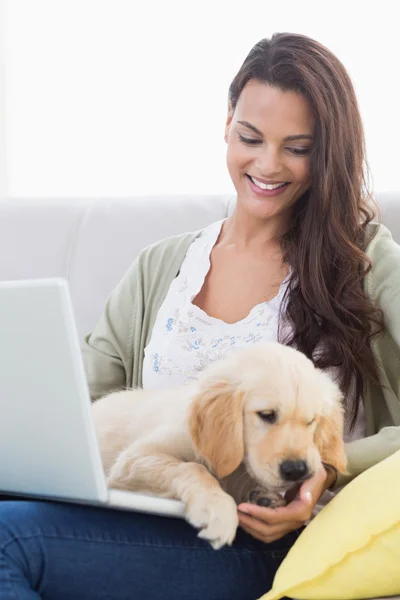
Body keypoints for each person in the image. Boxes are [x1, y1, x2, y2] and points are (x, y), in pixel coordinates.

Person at [1, 31, 399, 600]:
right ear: (227, 123)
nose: (267, 164)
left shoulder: (364, 261)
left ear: (328, 151)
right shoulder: (162, 266)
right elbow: (79, 406)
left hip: (267, 536)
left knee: (8, 541)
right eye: (250, 137)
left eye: (297, 147)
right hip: (149, 513)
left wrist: (326, 471)